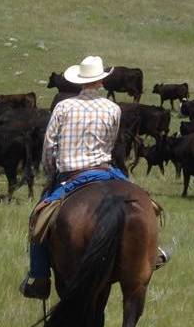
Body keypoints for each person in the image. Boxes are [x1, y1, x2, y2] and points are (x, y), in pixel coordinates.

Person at [21, 55, 167, 299]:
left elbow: (49, 148)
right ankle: (152, 253)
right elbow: (109, 146)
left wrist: (50, 172)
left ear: (79, 82)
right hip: (105, 171)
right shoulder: (112, 108)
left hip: (71, 175)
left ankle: (40, 277)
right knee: (145, 204)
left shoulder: (63, 107)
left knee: (37, 218)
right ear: (100, 82)